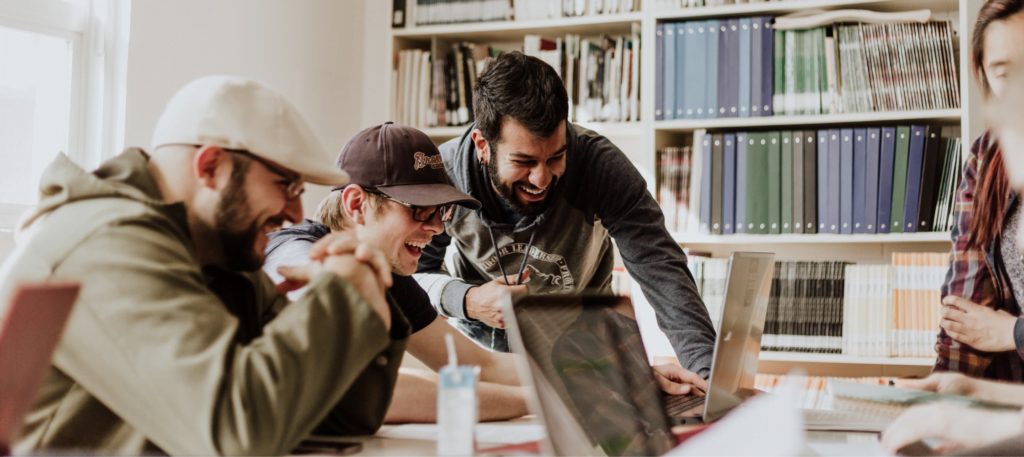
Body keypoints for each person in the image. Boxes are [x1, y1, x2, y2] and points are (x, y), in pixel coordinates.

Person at [0, 76, 408, 455]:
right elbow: (235, 434)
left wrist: (367, 295)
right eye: (286, 185)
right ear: (210, 166)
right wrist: (341, 296)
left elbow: (336, 418)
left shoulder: (218, 254)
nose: (296, 212)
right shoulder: (107, 243)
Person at [263, 122, 701, 423]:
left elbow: (476, 364)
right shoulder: (296, 254)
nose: (436, 228)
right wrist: (565, 398)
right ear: (357, 204)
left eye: (443, 212)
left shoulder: (390, 276)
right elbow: (369, 389)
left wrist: (616, 374)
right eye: (420, 211)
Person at [413, 51, 716, 385]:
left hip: (586, 352)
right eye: (524, 161)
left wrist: (708, 379)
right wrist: (467, 300)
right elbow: (412, 277)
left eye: (556, 157)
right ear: (483, 145)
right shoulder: (444, 175)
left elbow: (662, 271)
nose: (542, 179)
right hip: (484, 359)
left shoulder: (601, 166)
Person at [933, 0, 1024, 382]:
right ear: (985, 78)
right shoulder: (988, 156)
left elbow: (996, 330)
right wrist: (943, 390)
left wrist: (1011, 332)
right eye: (1005, 73)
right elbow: (965, 310)